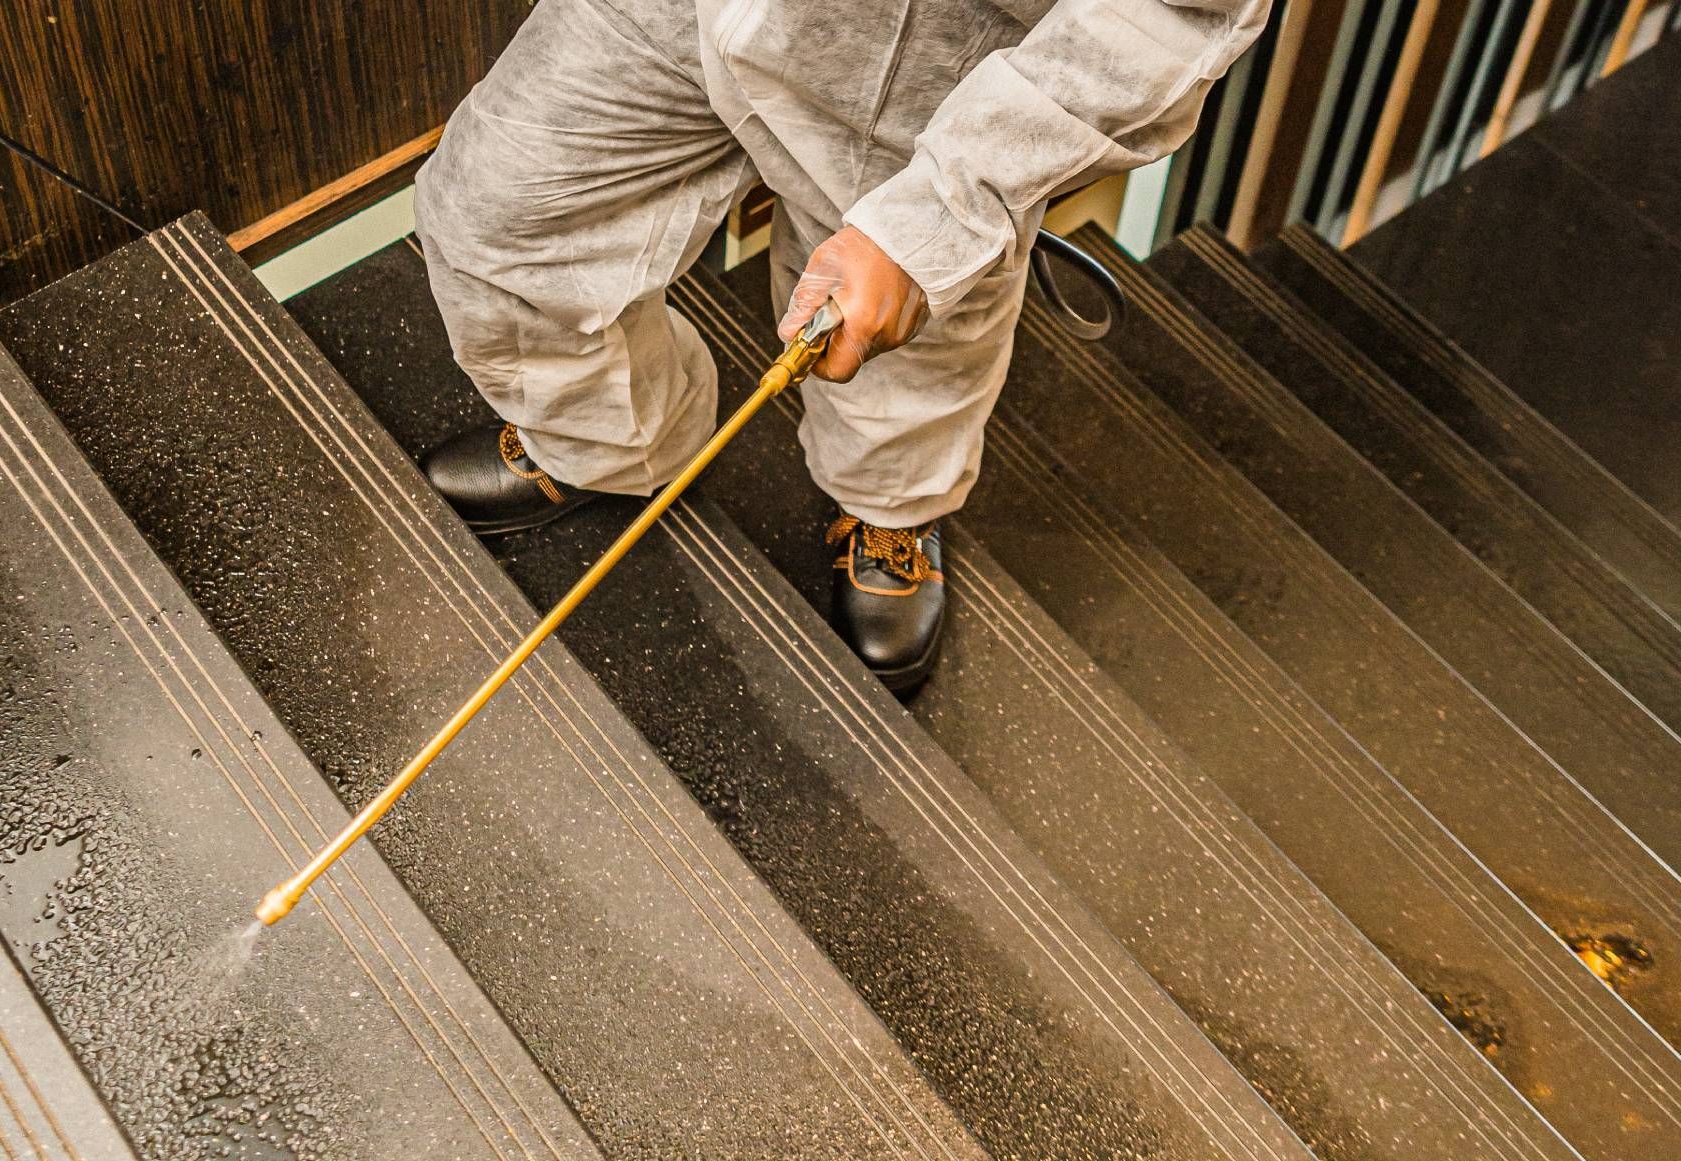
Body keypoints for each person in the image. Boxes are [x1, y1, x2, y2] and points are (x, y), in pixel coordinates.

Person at [415, 0, 1269, 692]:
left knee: (906, 325)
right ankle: (610, 436)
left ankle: (889, 503)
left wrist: (947, 208)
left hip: (936, 42)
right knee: (498, 206)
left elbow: (1169, 12)